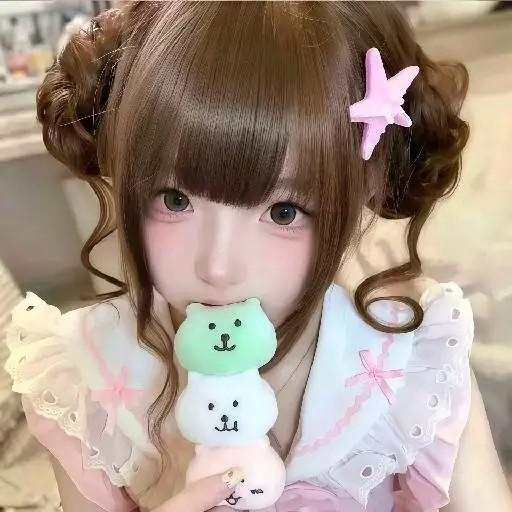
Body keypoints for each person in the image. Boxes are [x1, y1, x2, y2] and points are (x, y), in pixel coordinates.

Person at [5, 2, 512, 511]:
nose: (218, 268)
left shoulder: (415, 359)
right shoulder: (84, 378)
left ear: (368, 187)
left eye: (284, 211)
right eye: (174, 200)